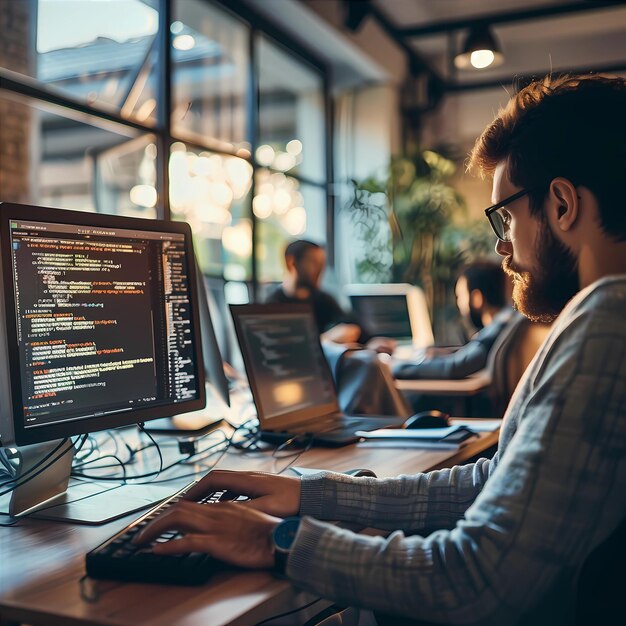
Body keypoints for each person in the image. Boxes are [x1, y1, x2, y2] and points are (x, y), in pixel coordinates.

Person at [136, 74, 626, 624]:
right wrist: (309, 496)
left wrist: (276, 542)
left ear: (561, 204)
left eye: (506, 216)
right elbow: (490, 484)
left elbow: (475, 579)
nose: (502, 245)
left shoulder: (609, 321)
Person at [393, 259, 517, 380]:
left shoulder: (499, 327)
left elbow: (454, 367)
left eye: (460, 296)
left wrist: (395, 367)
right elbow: (471, 354)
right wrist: (444, 354)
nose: (459, 305)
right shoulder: (509, 322)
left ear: (476, 298)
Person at [266, 239, 395, 353]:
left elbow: (353, 325)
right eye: (313, 262)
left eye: (322, 263)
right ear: (291, 263)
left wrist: (370, 343)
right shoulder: (273, 306)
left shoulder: (323, 300)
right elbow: (283, 350)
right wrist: (326, 339)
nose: (319, 270)